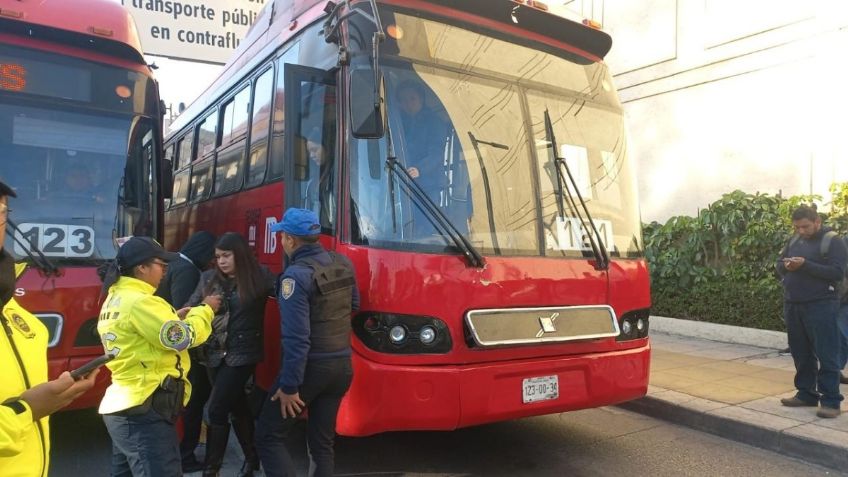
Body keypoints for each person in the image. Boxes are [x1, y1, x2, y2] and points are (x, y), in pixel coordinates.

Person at [97, 236, 222, 476]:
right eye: (161, 265)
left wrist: (173, 316)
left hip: (126, 407)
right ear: (141, 268)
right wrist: (204, 311)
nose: (165, 271)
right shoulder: (141, 302)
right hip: (144, 411)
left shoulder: (117, 298)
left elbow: (143, 333)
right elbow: (181, 338)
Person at [1, 180, 98, 477]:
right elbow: (24, 408)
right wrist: (27, 410)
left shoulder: (10, 302)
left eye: (3, 212)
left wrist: (54, 395)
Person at [255, 208, 359, 477]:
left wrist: (290, 386)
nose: (281, 242)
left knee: (268, 435)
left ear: (290, 240)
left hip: (309, 370)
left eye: (282, 236)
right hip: (341, 367)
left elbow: (297, 338)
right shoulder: (343, 263)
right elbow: (354, 305)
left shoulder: (295, 277)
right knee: (322, 444)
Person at [186, 232, 274, 477]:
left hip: (243, 354)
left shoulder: (260, 277)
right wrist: (196, 308)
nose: (222, 261)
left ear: (240, 254)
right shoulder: (207, 279)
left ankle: (211, 470)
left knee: (216, 409)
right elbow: (190, 307)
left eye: (227, 255)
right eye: (218, 256)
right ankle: (251, 458)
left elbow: (290, 294)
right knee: (238, 406)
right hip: (213, 354)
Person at [776, 204, 848, 418]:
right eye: (797, 227)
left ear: (817, 222)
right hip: (794, 303)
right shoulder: (795, 240)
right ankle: (806, 393)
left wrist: (804, 265)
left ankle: (831, 401)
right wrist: (786, 267)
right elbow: (779, 264)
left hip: (822, 304)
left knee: (827, 353)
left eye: (805, 226)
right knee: (801, 351)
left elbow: (836, 273)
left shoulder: (833, 241)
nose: (801, 231)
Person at [154, 230, 217, 473]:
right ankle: (186, 454)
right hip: (184, 349)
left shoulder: (176, 263)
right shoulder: (188, 270)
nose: (214, 262)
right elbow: (186, 311)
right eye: (213, 256)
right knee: (194, 401)